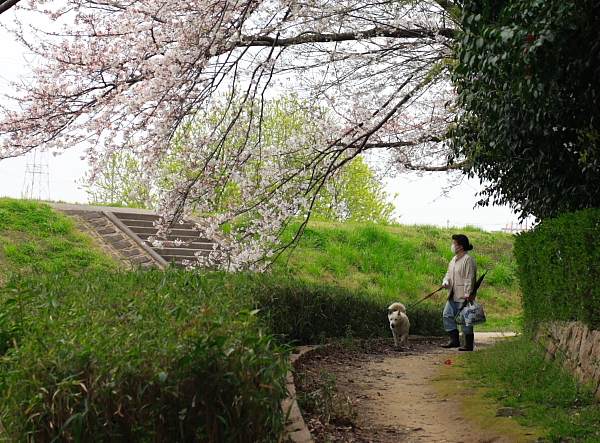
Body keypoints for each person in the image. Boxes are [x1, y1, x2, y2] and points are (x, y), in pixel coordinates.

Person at [441, 234, 477, 351]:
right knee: (447, 315)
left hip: (464, 296)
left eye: (454, 244)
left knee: (465, 319)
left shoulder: (468, 260)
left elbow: (469, 279)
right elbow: (449, 273)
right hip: (452, 294)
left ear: (460, 246)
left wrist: (468, 294)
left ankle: (468, 344)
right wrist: (446, 281)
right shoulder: (454, 260)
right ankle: (454, 340)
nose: (453, 246)